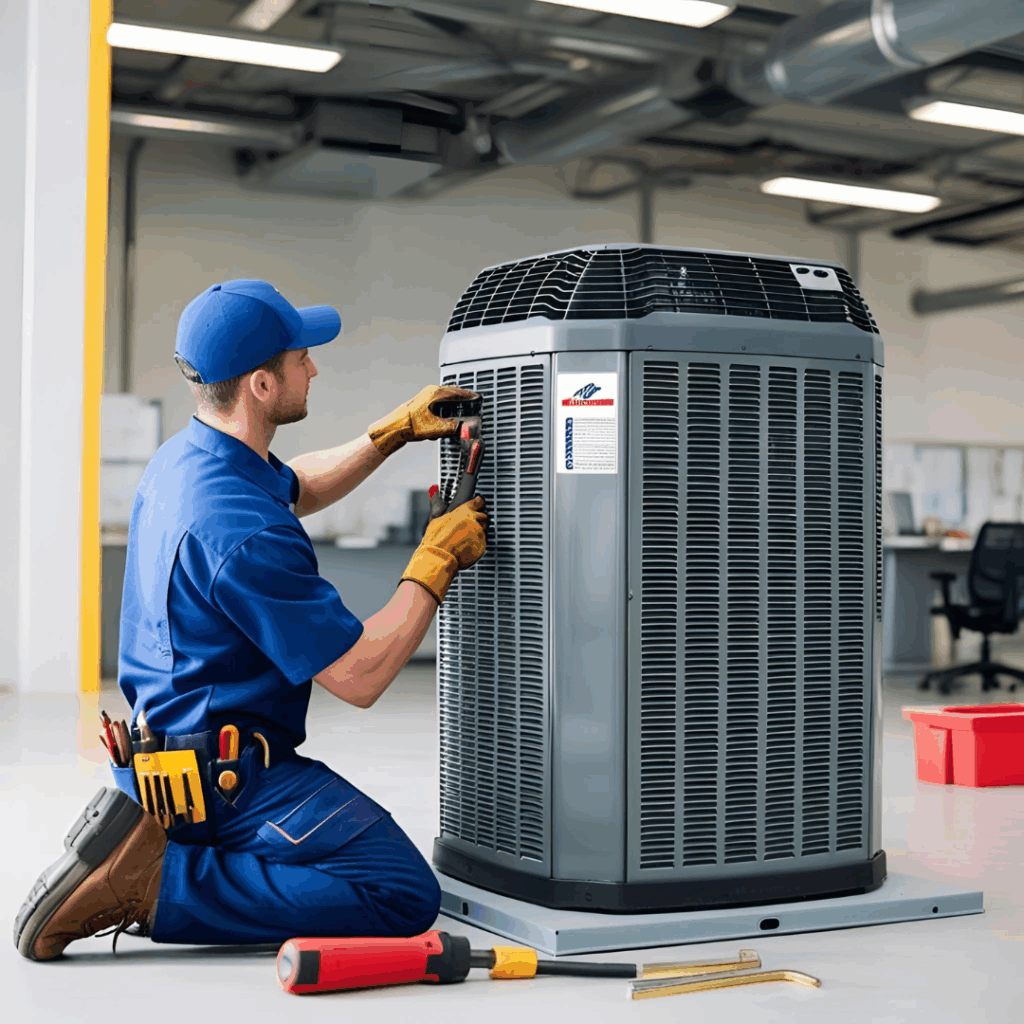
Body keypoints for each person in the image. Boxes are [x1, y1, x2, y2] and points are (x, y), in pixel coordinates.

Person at [15, 279, 486, 961]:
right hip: (227, 787)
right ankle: (157, 883)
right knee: (401, 892)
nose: (314, 368)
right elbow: (360, 674)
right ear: (262, 385)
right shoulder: (242, 534)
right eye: (301, 359)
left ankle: (146, 846)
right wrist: (435, 560)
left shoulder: (192, 461)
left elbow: (294, 483)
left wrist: (389, 435)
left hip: (160, 760)